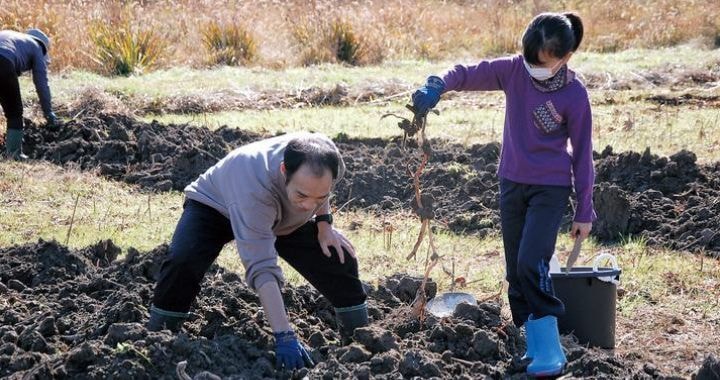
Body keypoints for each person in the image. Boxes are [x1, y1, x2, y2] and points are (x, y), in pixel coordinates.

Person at [411, 12, 595, 377]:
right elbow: (466, 73)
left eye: (542, 64)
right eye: (529, 61)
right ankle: (531, 348)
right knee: (515, 273)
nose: (533, 69)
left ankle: (551, 349)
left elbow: (584, 152)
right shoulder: (514, 71)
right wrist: (437, 84)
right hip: (511, 183)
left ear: (565, 57)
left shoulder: (574, 94)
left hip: (551, 188)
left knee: (531, 263)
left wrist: (584, 210)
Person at [148, 132, 368, 370]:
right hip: (213, 207)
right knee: (183, 261)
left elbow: (317, 191)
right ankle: (159, 338)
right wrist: (284, 335)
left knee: (337, 256)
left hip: (281, 215)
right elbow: (262, 266)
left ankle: (359, 342)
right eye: (302, 194)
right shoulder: (255, 189)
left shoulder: (328, 159)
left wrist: (324, 223)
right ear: (284, 171)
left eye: (319, 197)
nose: (308, 205)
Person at [0, 28, 57, 160]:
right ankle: (14, 155)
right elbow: (41, 83)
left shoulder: (12, 36)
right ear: (44, 47)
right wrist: (48, 112)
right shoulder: (37, 47)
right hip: (3, 63)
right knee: (14, 112)